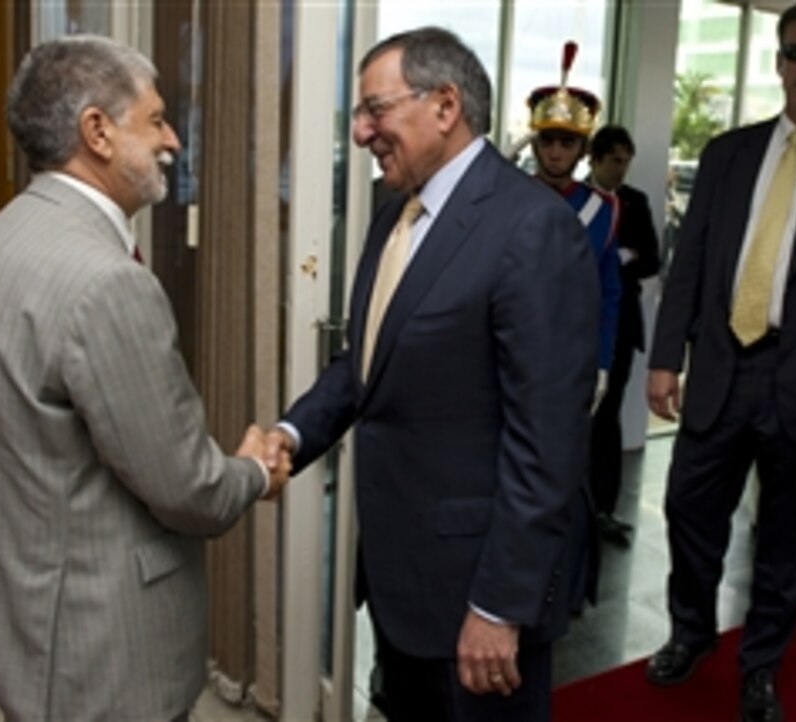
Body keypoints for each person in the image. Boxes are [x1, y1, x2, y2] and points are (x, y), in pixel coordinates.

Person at [0, 36, 289, 722]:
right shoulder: (107, 285)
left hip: (22, 606)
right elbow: (185, 487)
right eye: (156, 119)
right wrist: (252, 472)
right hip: (95, 645)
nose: (173, 142)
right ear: (96, 131)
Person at [266, 27, 599, 721]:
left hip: (477, 597)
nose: (359, 133)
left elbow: (548, 444)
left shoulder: (531, 228)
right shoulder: (391, 212)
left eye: (374, 111)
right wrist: (292, 435)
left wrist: (498, 606)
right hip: (400, 579)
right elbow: (366, 363)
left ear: (445, 106)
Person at [644, 3, 796, 722]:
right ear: (778, 60)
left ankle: (760, 666)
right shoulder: (729, 154)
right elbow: (687, 262)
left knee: (786, 543)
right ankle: (691, 633)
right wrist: (665, 358)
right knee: (689, 509)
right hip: (724, 369)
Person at [527, 43, 622, 403]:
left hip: (571, 359)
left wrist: (601, 363)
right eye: (548, 140)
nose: (555, 152)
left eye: (567, 142)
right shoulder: (507, 199)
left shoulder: (602, 210)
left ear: (582, 150)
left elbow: (609, 293)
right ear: (536, 145)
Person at [586, 125, 662, 547]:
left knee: (609, 416)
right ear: (595, 159)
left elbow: (651, 258)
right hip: (579, 325)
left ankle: (604, 508)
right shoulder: (577, 200)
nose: (621, 169)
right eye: (615, 160)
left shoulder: (634, 203)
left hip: (621, 324)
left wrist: (625, 256)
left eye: (626, 161)